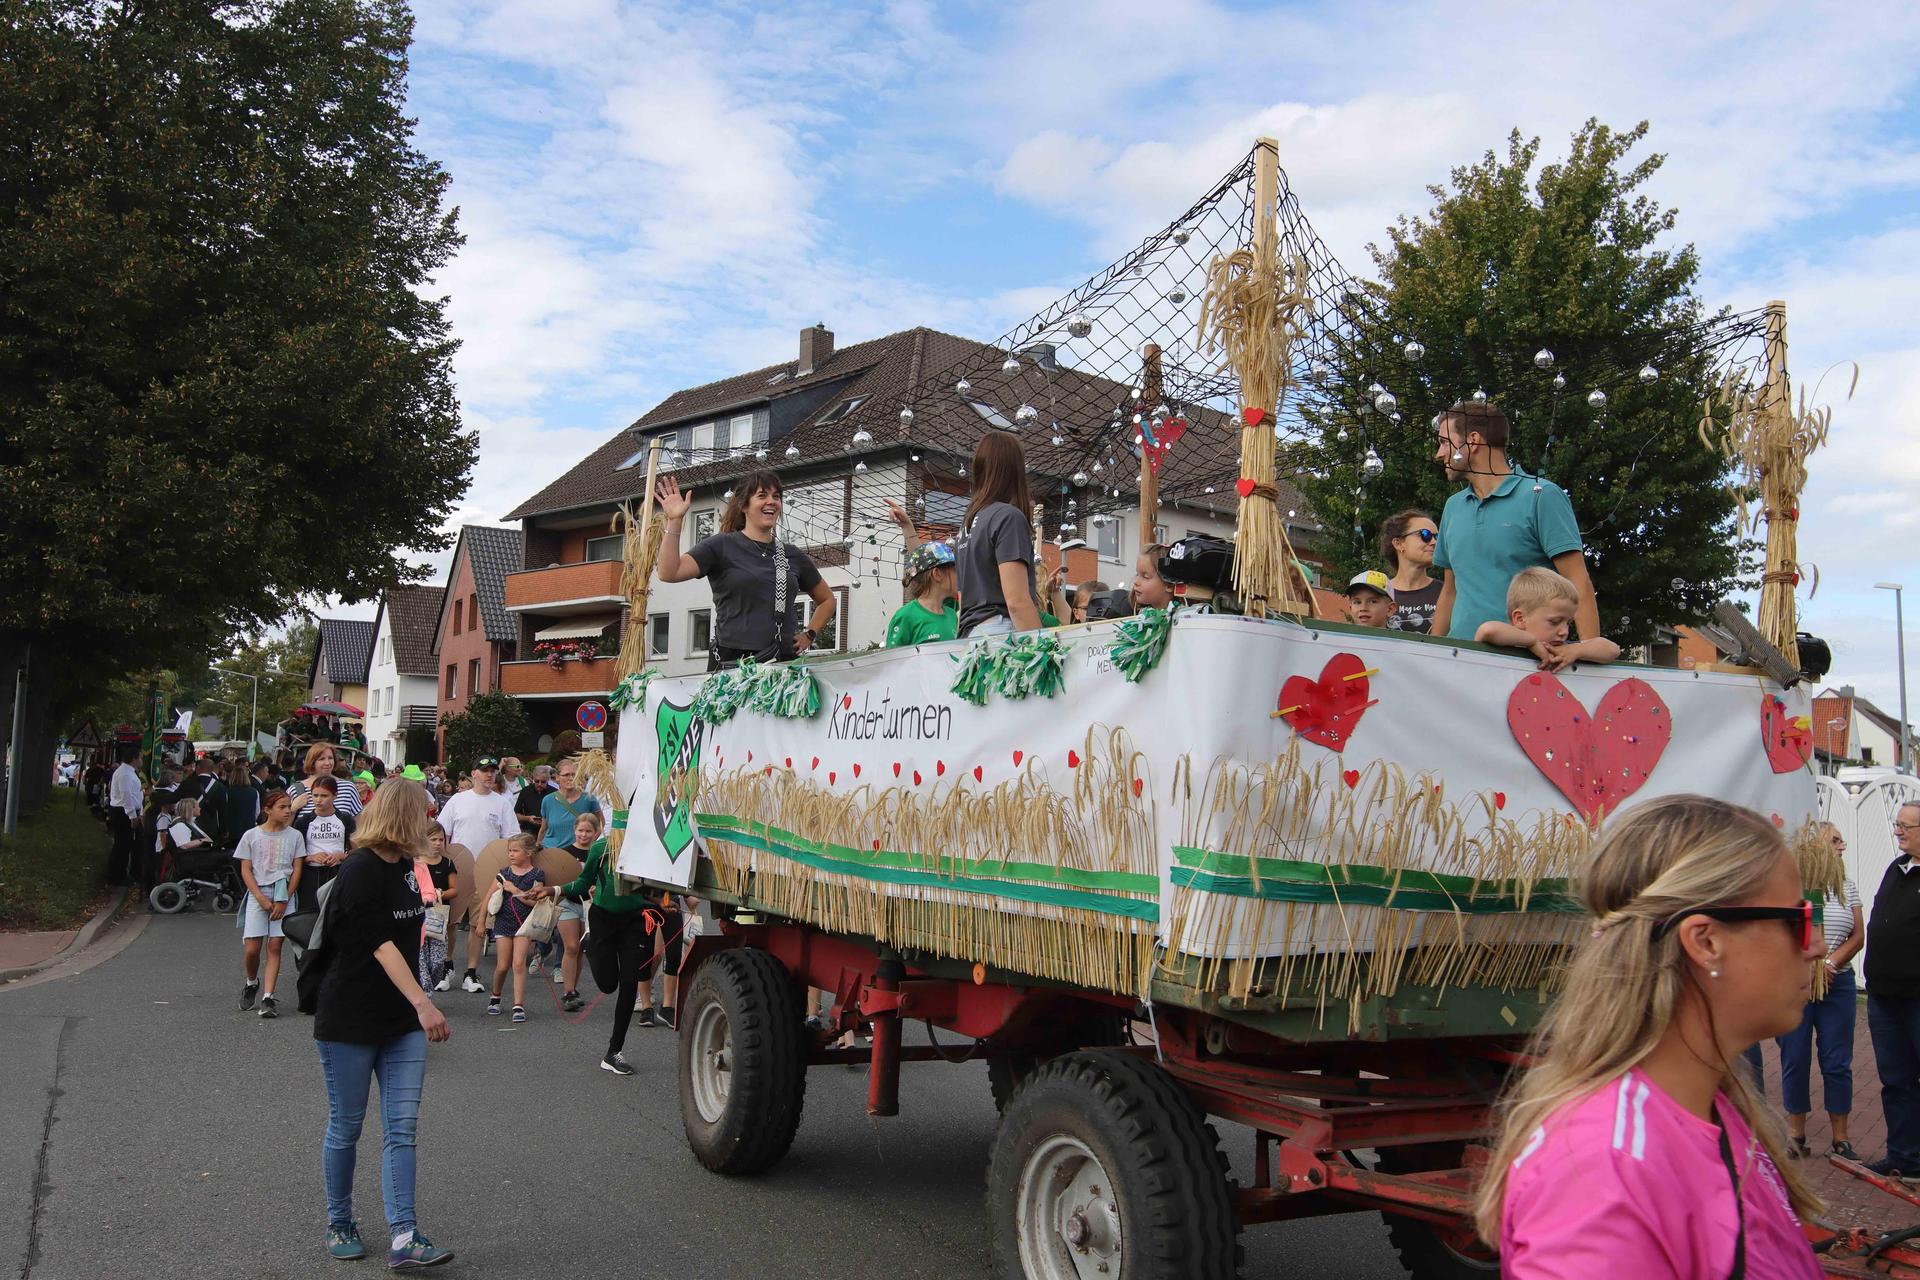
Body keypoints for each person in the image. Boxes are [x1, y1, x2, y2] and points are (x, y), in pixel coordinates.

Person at [1476, 795, 1824, 1276]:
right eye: (1800, 920)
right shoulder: (1605, 1174)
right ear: (1705, 941)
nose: (1818, 946)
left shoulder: (1710, 1104)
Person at [306, 777, 454, 1268]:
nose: (431, 819)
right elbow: (381, 944)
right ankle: (339, 1220)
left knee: (402, 1129)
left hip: (401, 1022)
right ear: (402, 815)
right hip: (350, 1016)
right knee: (346, 1127)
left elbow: (418, 928)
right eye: (425, 812)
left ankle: (404, 1236)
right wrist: (424, 1003)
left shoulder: (411, 868)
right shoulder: (360, 869)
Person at [1430, 400, 1602, 644]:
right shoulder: (1453, 506)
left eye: (1444, 442)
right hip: (1463, 663)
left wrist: (1586, 660)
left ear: (1474, 440)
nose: (1439, 454)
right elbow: (1450, 592)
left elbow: (1577, 581)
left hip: (1527, 662)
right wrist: (1432, 654)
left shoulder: (1542, 496)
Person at [655, 469, 837, 669]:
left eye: (776, 496)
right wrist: (675, 519)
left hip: (781, 661)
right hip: (732, 662)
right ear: (743, 505)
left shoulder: (791, 555)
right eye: (762, 495)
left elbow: (827, 600)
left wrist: (809, 634)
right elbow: (668, 572)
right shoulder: (721, 546)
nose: (771, 501)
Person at [1773, 823, 1864, 1159]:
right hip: (1798, 983)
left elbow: (1858, 935)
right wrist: (1804, 967)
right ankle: (1796, 1133)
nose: (1842, 846)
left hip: (1837, 983)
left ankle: (1841, 1137)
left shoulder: (1847, 887)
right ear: (1816, 848)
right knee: (1794, 1056)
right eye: (1836, 841)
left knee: (1837, 1060)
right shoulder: (1793, 890)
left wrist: (1829, 965)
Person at [561, 814, 666, 1073]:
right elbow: (584, 882)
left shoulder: (647, 849)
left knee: (630, 983)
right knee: (609, 985)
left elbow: (652, 885)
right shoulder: (600, 848)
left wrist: (664, 900)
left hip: (633, 921)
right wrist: (554, 890)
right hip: (603, 921)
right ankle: (591, 946)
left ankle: (614, 1052)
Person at [1864, 800, 1920, 1182]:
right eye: (1897, 824)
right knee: (1895, 1079)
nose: (1897, 831)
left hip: (1917, 997)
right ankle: (1905, 1156)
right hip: (1883, 996)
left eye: (1906, 826)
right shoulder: (1896, 868)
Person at [954, 433, 1039, 637]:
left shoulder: (965, 528)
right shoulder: (1008, 517)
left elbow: (962, 598)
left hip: (969, 637)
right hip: (1000, 633)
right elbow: (1016, 601)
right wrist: (1042, 650)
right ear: (1015, 471)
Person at [235, 789, 307, 1020]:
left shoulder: (295, 836)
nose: (288, 811)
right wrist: (260, 897)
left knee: (275, 945)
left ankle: (268, 997)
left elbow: (297, 869)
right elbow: (246, 869)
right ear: (267, 809)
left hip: (283, 893)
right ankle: (251, 981)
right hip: (259, 892)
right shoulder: (251, 835)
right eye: (282, 807)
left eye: (289, 807)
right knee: (252, 947)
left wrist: (285, 898)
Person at [1475, 567, 1620, 671]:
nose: (1564, 632)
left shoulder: (1562, 651)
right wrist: (1531, 642)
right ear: (1520, 619)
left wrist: (1575, 650)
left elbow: (1612, 650)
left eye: (1568, 623)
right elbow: (1488, 630)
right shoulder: (1506, 646)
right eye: (1555, 622)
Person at [487, 832, 547, 1023]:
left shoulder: (537, 875)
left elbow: (536, 903)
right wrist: (481, 921)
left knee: (519, 963)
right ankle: (495, 996)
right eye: (509, 850)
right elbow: (489, 896)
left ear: (528, 853)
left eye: (515, 850)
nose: (511, 854)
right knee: (503, 965)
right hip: (504, 921)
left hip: (525, 923)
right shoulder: (503, 873)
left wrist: (515, 891)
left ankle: (518, 1004)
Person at [551, 811, 602, 1012]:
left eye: (588, 831)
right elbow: (556, 875)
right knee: (571, 946)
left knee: (580, 949)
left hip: (589, 905)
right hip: (567, 903)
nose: (584, 835)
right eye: (581, 830)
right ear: (574, 830)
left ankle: (573, 988)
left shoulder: (599, 852)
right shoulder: (565, 853)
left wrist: (597, 886)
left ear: (596, 832)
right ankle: (568, 991)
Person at [293, 775, 356, 899]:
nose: (318, 800)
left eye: (324, 796)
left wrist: (340, 855)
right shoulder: (303, 821)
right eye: (315, 795)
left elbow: (355, 851)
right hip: (310, 876)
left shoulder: (345, 819)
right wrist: (311, 857)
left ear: (335, 796)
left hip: (338, 873)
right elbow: (295, 855)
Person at [885, 543, 960, 646]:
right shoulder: (906, 616)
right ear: (937, 574)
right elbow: (892, 660)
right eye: (955, 570)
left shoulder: (952, 615)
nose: (960, 575)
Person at [1380, 509, 1441, 633]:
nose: (1434, 542)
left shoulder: (1448, 593)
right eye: (1425, 535)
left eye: (1437, 537)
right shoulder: (1379, 593)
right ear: (1398, 543)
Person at [415, 826, 457, 996]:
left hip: (439, 917)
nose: (438, 843)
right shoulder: (415, 862)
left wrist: (440, 893)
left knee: (438, 961)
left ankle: (428, 988)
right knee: (421, 959)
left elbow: (455, 890)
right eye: (433, 839)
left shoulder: (447, 863)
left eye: (441, 840)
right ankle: (425, 994)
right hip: (419, 916)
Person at [289, 743, 363, 819]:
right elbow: (281, 826)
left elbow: (359, 820)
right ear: (312, 762)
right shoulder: (296, 790)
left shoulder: (348, 788)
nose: (327, 763)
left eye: (330, 758)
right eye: (322, 759)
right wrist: (293, 809)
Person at [107, 744, 144, 886]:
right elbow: (126, 795)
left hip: (124, 811)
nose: (141, 761)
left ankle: (121, 874)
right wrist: (132, 815)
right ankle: (116, 877)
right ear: (134, 759)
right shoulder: (125, 773)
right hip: (123, 812)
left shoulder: (128, 772)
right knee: (122, 845)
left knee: (126, 845)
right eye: (140, 758)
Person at [513, 763, 552, 842]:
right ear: (533, 779)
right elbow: (515, 815)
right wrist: (528, 818)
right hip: (528, 833)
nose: (539, 784)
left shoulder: (554, 793)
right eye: (537, 781)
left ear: (548, 780)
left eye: (543, 782)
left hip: (548, 833)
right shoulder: (525, 791)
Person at [1130, 545, 1175, 612]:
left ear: (1169, 585)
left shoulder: (1186, 619)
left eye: (1146, 577)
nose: (1136, 582)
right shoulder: (1131, 614)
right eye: (1137, 574)